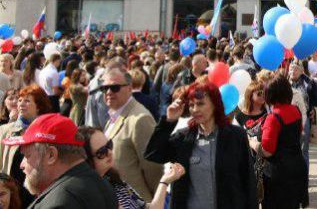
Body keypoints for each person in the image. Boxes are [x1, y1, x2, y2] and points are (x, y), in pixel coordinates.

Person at [145, 81, 258, 209]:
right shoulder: (183, 138)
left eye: (200, 104)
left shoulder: (236, 136)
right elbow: (153, 154)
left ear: (215, 104)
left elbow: (248, 182)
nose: (195, 109)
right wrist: (168, 121)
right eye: (191, 105)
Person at [3, 113, 117, 209]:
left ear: (51, 155)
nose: (21, 165)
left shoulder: (59, 203)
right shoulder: (100, 183)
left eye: (27, 156)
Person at [79, 125, 186, 209]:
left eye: (109, 145)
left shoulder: (113, 180)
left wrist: (165, 181)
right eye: (101, 152)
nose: (109, 152)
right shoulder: (95, 192)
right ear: (87, 160)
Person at [101, 68, 162, 202]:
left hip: (137, 201)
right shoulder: (114, 115)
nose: (109, 92)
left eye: (114, 87)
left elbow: (153, 169)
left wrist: (155, 202)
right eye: (105, 88)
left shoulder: (140, 119)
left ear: (129, 88)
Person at [256, 76, 308, 209]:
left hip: (278, 174)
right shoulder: (295, 110)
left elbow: (267, 151)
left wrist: (252, 142)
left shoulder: (273, 118)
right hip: (296, 166)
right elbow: (299, 132)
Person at [0, 85, 51, 207]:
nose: (21, 104)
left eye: (27, 101)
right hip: (12, 192)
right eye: (20, 100)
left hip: (38, 191)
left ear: (39, 106)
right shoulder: (5, 131)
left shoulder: (48, 131)